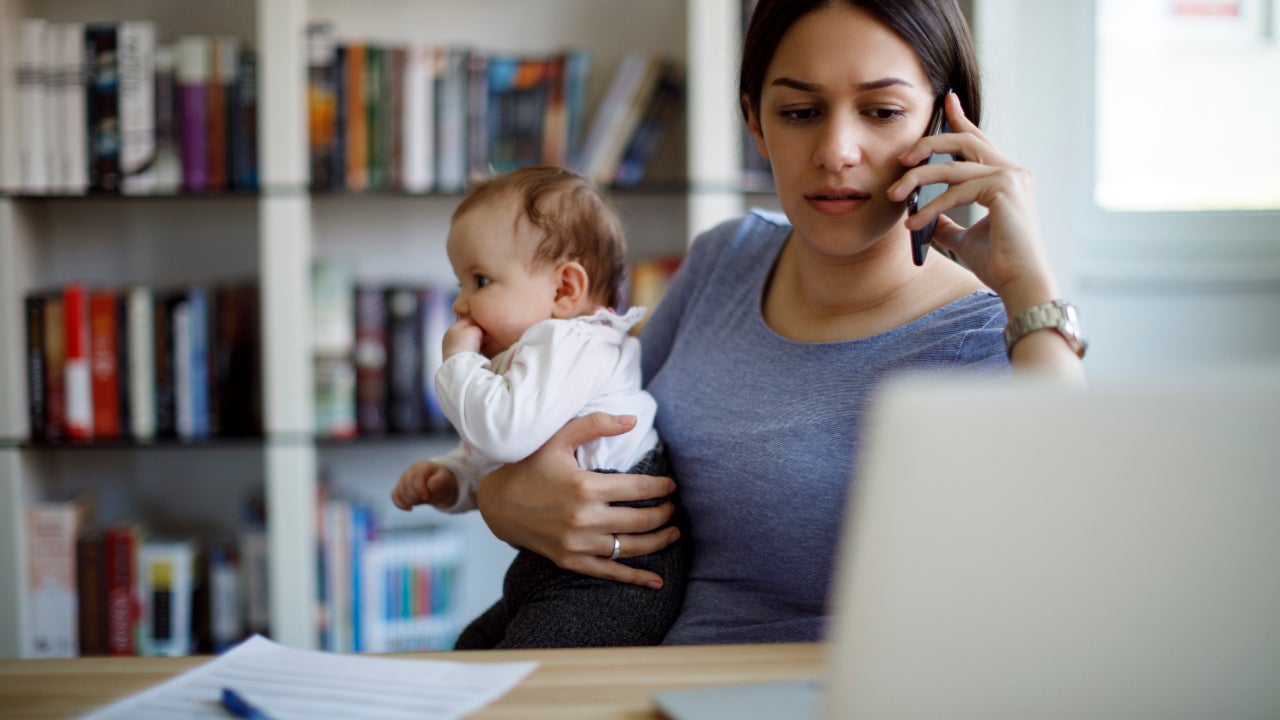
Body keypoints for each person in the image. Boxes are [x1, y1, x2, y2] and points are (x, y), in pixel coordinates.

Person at [439, 0, 1087, 646]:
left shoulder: (990, 337)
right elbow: (587, 417)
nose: (836, 151)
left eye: (883, 111)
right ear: (755, 121)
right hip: (640, 681)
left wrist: (1029, 286)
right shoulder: (726, 258)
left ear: (950, 122)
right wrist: (499, 499)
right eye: (799, 112)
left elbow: (1069, 564)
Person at [390, 165, 687, 648]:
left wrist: (458, 361)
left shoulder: (572, 342)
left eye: (480, 280)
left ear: (564, 290)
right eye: (461, 284)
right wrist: (455, 478)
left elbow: (503, 432)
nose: (460, 304)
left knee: (527, 680)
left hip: (612, 578)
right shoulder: (537, 353)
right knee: (471, 649)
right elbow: (508, 455)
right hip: (555, 565)